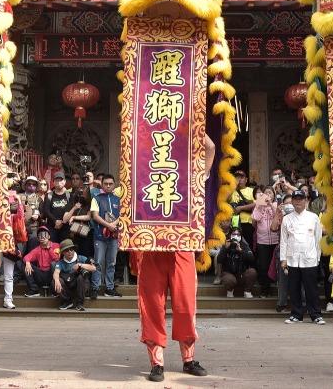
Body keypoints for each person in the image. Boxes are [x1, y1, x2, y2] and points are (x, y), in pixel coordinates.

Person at [136, 135, 214, 383]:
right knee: (152, 307)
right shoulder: (144, 170)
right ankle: (156, 363)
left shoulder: (192, 175)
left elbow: (210, 147)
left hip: (182, 248)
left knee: (185, 306)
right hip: (152, 250)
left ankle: (188, 360)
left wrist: (187, 122)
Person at [279, 188, 323, 324]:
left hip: (309, 258)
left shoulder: (313, 217)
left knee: (311, 288)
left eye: (301, 199)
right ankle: (296, 314)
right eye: (295, 199)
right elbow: (284, 240)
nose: (298, 202)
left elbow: (318, 239)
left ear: (306, 201)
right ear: (292, 201)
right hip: (292, 259)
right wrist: (283, 259)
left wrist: (317, 257)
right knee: (294, 288)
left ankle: (316, 314)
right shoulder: (287, 219)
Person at [90, 173, 122, 297]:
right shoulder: (96, 198)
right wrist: (108, 225)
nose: (108, 186)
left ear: (114, 185)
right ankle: (95, 288)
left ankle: (109, 288)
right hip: (99, 236)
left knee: (111, 263)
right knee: (98, 262)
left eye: (110, 184)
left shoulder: (118, 199)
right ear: (102, 185)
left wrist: (114, 223)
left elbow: (123, 214)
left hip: (114, 236)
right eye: (106, 184)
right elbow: (95, 216)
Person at [251, 187, 280, 299]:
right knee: (263, 266)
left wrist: (271, 205)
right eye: (266, 193)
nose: (268, 194)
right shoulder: (259, 206)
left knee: (276, 266)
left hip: (275, 240)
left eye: (270, 193)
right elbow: (255, 218)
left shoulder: (277, 205)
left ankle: (277, 289)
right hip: (262, 241)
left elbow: (277, 217)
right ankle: (264, 290)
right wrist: (260, 205)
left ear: (273, 195)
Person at [54, 239, 96, 311]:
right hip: (68, 287)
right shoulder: (60, 262)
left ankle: (80, 303)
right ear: (63, 252)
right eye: (67, 250)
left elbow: (94, 268)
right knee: (56, 281)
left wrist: (81, 265)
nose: (70, 252)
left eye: (71, 249)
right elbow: (56, 272)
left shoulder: (81, 258)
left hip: (81, 286)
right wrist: (56, 280)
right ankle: (68, 302)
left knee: (81, 277)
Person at [218, 226, 256, 298]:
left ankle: (247, 291)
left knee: (252, 272)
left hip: (241, 274)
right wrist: (225, 249)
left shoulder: (244, 245)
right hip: (229, 274)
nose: (236, 236)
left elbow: (252, 259)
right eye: (234, 234)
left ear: (241, 236)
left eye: (238, 235)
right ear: (230, 235)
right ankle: (230, 290)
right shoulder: (226, 245)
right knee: (229, 279)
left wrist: (241, 251)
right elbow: (219, 260)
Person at [23, 227, 60, 297]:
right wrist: (27, 262)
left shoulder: (56, 245)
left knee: (54, 264)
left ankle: (55, 290)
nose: (42, 237)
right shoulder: (37, 249)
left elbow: (57, 259)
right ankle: (34, 289)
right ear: (38, 239)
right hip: (41, 275)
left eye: (45, 235)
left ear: (49, 236)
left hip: (52, 274)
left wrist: (49, 248)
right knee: (25, 264)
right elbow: (26, 257)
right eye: (40, 235)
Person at [230, 170, 258, 248]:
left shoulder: (251, 190)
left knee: (248, 246)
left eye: (241, 178)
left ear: (246, 179)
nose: (239, 180)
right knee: (235, 245)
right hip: (234, 224)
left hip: (248, 223)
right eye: (236, 178)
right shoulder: (231, 191)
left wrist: (241, 208)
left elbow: (257, 203)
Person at [41, 173, 71, 243]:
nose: (59, 182)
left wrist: (62, 222)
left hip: (65, 228)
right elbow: (46, 210)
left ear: (65, 181)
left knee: (65, 248)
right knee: (53, 248)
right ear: (53, 182)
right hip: (52, 227)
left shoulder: (69, 195)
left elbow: (70, 210)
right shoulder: (49, 195)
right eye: (56, 180)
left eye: (61, 180)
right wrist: (55, 221)